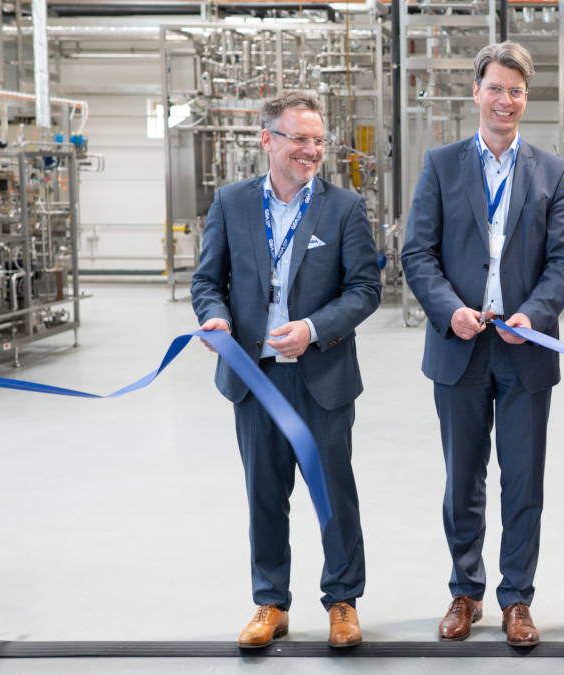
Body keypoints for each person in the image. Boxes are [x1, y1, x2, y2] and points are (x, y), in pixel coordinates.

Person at [400, 41, 564, 647]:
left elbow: (563, 260)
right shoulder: (441, 164)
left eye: (517, 90)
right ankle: (465, 590)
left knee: (524, 480)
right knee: (463, 479)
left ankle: (517, 599)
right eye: (496, 88)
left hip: (524, 346)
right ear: (476, 92)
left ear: (526, 98)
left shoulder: (553, 172)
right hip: (460, 345)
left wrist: (534, 312)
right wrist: (449, 311)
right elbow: (417, 252)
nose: (506, 100)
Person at [192, 90, 381, 649]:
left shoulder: (343, 207)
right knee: (264, 494)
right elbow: (207, 282)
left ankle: (343, 600)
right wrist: (215, 320)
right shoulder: (231, 203)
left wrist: (313, 329)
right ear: (267, 139)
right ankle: (270, 602)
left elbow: (364, 290)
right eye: (300, 138)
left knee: (332, 493)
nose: (312, 150)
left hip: (320, 376)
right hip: (254, 377)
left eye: (319, 140)